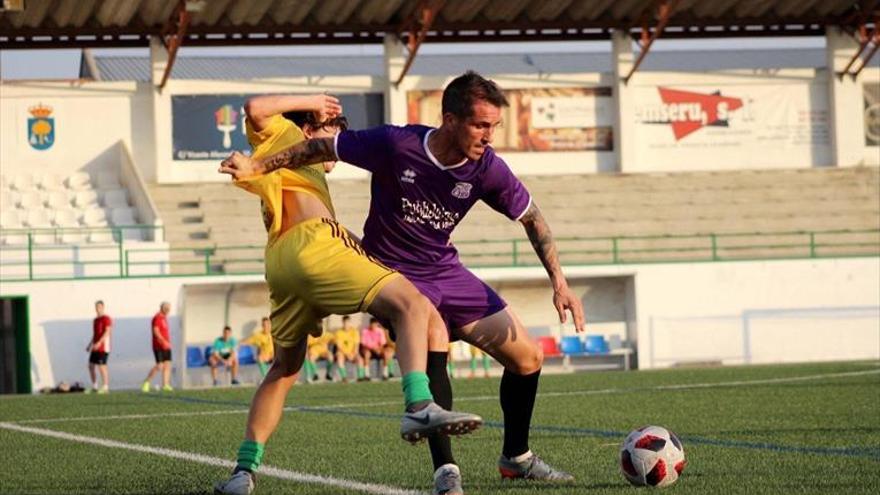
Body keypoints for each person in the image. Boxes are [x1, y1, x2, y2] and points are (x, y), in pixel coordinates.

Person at [218, 71, 587, 495]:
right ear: (450, 119)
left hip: (444, 269)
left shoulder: (487, 168)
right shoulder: (397, 144)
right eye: (481, 125)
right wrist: (260, 163)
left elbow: (532, 218)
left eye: (494, 126)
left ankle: (516, 457)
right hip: (393, 268)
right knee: (427, 325)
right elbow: (316, 144)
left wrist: (559, 282)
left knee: (528, 358)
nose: (489, 136)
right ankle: (446, 472)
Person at [214, 93, 482, 495]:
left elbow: (330, 231)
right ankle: (418, 404)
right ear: (308, 128)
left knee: (285, 370)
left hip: (283, 263)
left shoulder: (301, 173)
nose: (335, 152)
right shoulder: (286, 134)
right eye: (329, 131)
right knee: (415, 303)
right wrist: (311, 101)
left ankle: (242, 472)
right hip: (314, 247)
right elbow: (254, 107)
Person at [142, 301, 173, 392]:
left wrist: (167, 343)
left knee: (167, 365)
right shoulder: (157, 318)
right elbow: (156, 332)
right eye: (166, 308)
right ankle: (146, 382)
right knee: (160, 366)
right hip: (158, 346)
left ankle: (165, 384)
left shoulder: (164, 318)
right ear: (161, 308)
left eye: (169, 308)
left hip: (166, 345)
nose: (168, 310)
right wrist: (163, 341)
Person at [85, 300, 112, 394]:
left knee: (102, 366)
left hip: (103, 347)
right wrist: (90, 345)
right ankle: (94, 386)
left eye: (99, 307)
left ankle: (105, 387)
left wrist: (100, 342)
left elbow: (107, 331)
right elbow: (95, 334)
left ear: (103, 307)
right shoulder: (95, 320)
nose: (97, 309)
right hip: (95, 346)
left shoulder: (106, 318)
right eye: (96, 307)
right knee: (90, 366)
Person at [333, 315, 362, 382]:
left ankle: (360, 377)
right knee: (339, 357)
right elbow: (339, 347)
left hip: (353, 353)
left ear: (350, 322)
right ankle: (344, 377)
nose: (346, 324)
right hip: (342, 353)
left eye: (347, 322)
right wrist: (347, 354)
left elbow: (356, 345)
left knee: (360, 359)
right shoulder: (338, 332)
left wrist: (354, 353)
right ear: (342, 323)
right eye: (345, 322)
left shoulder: (355, 331)